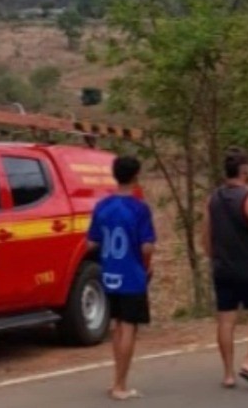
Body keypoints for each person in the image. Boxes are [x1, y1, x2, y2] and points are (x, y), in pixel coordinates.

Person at [202, 149, 248, 390]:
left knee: (226, 319)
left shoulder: (212, 199)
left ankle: (228, 374)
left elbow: (206, 236)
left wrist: (215, 258)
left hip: (223, 268)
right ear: (244, 172)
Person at [86, 156, 156, 401]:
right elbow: (147, 246)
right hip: (131, 274)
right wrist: (146, 264)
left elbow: (91, 242)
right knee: (128, 327)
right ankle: (120, 385)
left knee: (117, 327)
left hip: (109, 273)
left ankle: (116, 379)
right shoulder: (139, 208)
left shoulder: (102, 206)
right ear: (135, 176)